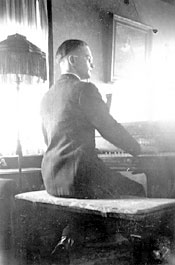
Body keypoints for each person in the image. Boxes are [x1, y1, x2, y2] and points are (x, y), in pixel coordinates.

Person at [40, 39, 145, 262]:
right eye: (88, 58)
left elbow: (47, 139)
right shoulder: (84, 89)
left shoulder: (46, 97)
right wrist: (138, 150)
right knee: (136, 189)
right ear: (72, 60)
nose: (92, 65)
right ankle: (134, 255)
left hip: (52, 179)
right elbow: (109, 128)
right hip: (80, 177)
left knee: (97, 195)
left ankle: (71, 237)